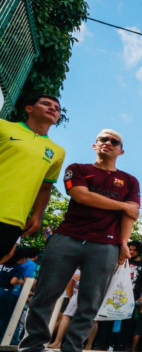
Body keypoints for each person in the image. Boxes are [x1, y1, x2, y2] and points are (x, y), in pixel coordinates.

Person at [10, 128, 140, 352]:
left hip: (105, 244)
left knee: (90, 302)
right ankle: (30, 351)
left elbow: (130, 215)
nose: (108, 143)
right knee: (45, 295)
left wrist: (123, 242)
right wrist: (122, 205)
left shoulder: (130, 181)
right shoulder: (78, 169)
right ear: (94, 145)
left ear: (121, 150)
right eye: (103, 139)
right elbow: (81, 196)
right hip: (67, 237)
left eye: (114, 141)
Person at [0, 94, 65, 265]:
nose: (53, 109)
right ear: (29, 108)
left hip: (14, 219)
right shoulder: (3, 126)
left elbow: (46, 187)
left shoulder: (57, 152)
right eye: (46, 104)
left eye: (57, 108)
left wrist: (37, 215)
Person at [116, 240, 142, 351]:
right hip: (118, 292)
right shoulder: (124, 260)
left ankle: (125, 344)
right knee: (114, 317)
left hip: (133, 295)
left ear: (139, 251)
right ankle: (110, 343)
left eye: (134, 250)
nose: (131, 252)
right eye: (130, 249)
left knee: (128, 320)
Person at [47, 270, 81, 349]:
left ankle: (50, 339)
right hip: (66, 297)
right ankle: (48, 338)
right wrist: (70, 297)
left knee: (58, 319)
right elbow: (69, 285)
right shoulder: (77, 271)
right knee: (59, 319)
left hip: (64, 296)